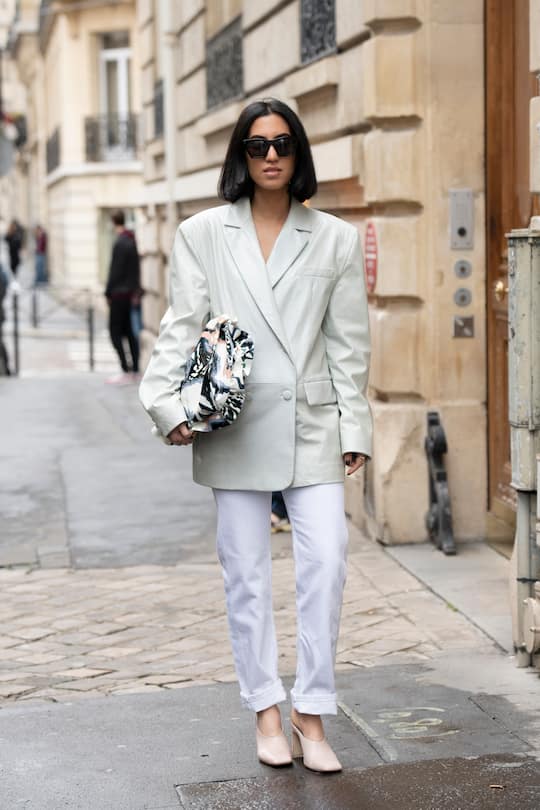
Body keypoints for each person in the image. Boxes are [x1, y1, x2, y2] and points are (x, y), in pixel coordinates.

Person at [139, 98, 372, 773]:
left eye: (283, 144)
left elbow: (349, 345)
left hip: (312, 421)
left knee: (327, 561)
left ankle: (312, 711)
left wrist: (354, 423)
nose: (271, 156)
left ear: (299, 153)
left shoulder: (334, 238)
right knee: (246, 574)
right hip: (234, 422)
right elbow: (181, 325)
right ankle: (267, 710)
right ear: (240, 154)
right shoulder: (203, 233)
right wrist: (165, 404)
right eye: (257, 145)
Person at [105, 209, 140, 384]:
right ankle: (134, 370)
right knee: (130, 333)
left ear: (113, 222)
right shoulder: (131, 240)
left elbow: (115, 271)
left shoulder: (120, 243)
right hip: (130, 294)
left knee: (115, 333)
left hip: (119, 294)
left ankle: (126, 369)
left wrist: (108, 292)